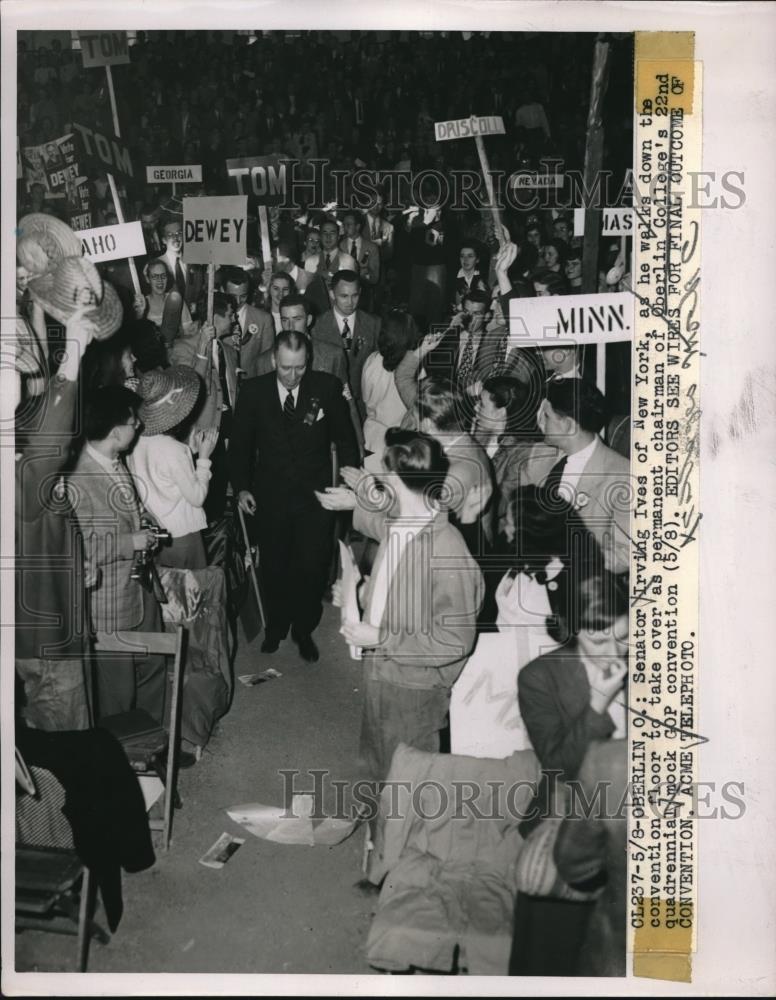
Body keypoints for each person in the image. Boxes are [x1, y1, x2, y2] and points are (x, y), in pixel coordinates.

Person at [322, 428, 484, 782]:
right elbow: (397, 593)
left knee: (409, 785)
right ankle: (376, 836)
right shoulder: (399, 527)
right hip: (380, 670)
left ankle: (397, 837)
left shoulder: (447, 550)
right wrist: (359, 595)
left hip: (415, 688)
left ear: (396, 480)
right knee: (375, 766)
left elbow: (455, 640)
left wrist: (381, 637)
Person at [229, 329, 358, 662]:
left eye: (300, 368)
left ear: (308, 361)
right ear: (274, 360)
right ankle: (276, 625)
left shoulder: (326, 388)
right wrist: (241, 486)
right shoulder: (253, 392)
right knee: (274, 565)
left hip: (315, 498)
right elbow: (241, 447)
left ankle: (304, 628)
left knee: (312, 567)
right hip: (269, 496)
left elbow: (346, 442)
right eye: (285, 367)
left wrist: (349, 482)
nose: (292, 375)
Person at [15, 306, 96, 732]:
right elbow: (52, 441)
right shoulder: (24, 471)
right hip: (45, 641)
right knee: (70, 751)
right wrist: (75, 349)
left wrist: (74, 549)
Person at [69, 386, 170, 728]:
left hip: (140, 592)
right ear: (115, 432)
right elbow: (80, 551)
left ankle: (152, 748)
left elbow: (130, 509)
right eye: (132, 422)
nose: (138, 426)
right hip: (109, 604)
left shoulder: (116, 460)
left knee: (156, 667)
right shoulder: (76, 480)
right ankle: (124, 766)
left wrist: (145, 521)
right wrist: (132, 541)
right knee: (118, 695)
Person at [523, 378, 631, 574]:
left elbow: (628, 554)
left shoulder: (622, 476)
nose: (539, 421)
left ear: (569, 426)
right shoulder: (538, 457)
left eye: (546, 416)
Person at [129, 367, 217, 570]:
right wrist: (203, 459)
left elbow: (163, 475)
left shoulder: (136, 440)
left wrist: (190, 452)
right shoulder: (174, 449)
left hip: (157, 534)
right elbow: (196, 497)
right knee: (194, 594)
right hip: (184, 536)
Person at [313, 269, 380, 422]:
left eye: (355, 295)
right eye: (343, 296)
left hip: (365, 408)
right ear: (332, 294)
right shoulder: (317, 326)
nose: (350, 303)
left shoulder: (374, 324)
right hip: (329, 407)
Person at [360, 310, 415, 460]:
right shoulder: (415, 364)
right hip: (403, 441)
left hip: (373, 439)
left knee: (372, 482)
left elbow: (366, 399)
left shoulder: (372, 360)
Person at [157, 215, 203, 317]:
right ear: (163, 240)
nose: (176, 238)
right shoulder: (157, 265)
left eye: (179, 233)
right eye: (170, 235)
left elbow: (201, 293)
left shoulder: (195, 264)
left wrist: (197, 305)